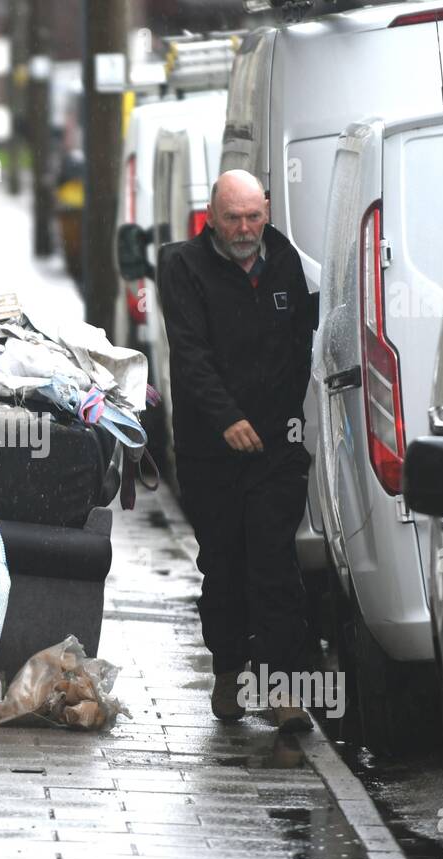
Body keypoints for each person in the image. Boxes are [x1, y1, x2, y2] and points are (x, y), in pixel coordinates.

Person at [157, 170, 318, 733]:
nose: (245, 228)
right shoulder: (182, 266)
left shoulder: (285, 261)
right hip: (211, 452)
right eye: (233, 218)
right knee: (223, 566)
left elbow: (302, 345)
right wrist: (227, 419)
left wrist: (282, 421)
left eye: (254, 216)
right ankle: (229, 670)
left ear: (267, 211)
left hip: (276, 449)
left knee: (274, 564)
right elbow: (190, 353)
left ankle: (284, 691)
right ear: (211, 216)